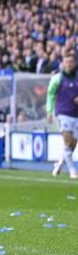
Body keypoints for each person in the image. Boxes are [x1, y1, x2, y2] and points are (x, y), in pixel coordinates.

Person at [47, 51, 78, 179]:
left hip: (76, 114)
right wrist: (49, 111)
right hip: (63, 113)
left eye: (71, 62)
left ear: (75, 63)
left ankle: (59, 162)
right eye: (67, 62)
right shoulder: (57, 78)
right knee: (67, 139)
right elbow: (50, 95)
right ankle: (73, 171)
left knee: (71, 145)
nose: (69, 64)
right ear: (63, 63)